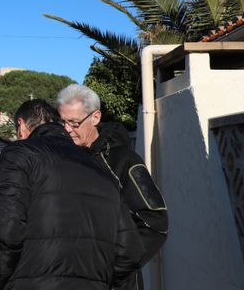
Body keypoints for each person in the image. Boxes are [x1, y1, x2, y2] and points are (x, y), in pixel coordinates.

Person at [0, 99, 143, 290]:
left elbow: (4, 232)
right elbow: (129, 249)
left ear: (21, 125)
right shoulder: (100, 167)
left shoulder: (19, 154)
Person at [57, 84, 168, 290]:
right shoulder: (59, 160)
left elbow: (154, 222)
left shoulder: (125, 162)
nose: (67, 130)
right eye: (62, 122)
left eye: (74, 123)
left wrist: (113, 269)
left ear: (95, 117)